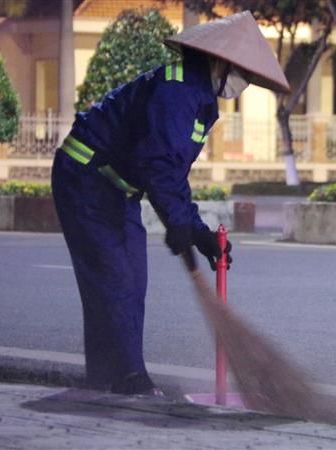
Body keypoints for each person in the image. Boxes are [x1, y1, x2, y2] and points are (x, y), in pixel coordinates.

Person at [51, 11, 290, 395]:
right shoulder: (178, 90)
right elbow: (157, 162)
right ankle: (128, 380)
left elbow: (172, 172)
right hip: (85, 178)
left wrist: (195, 231)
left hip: (117, 189)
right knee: (115, 279)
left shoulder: (200, 100)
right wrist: (178, 223)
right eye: (241, 74)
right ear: (220, 61)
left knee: (130, 281)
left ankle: (106, 379)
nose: (241, 85)